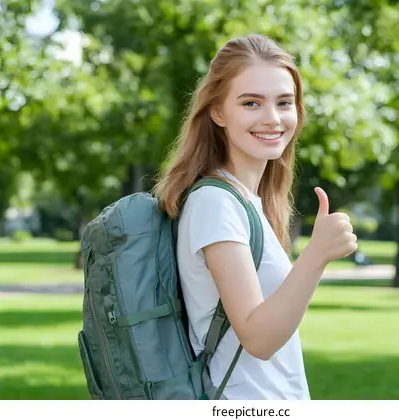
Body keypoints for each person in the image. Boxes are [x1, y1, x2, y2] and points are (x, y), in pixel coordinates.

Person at [152, 34, 358, 400]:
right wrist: (316, 255)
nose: (272, 118)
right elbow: (258, 338)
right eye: (251, 103)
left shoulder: (246, 201)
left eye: (284, 102)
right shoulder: (215, 203)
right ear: (217, 111)